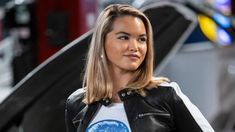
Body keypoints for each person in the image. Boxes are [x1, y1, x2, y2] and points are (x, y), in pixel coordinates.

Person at [65, 4, 215, 132]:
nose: (134, 47)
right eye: (124, 37)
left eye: (142, 39)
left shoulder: (166, 95)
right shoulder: (77, 103)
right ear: (101, 43)